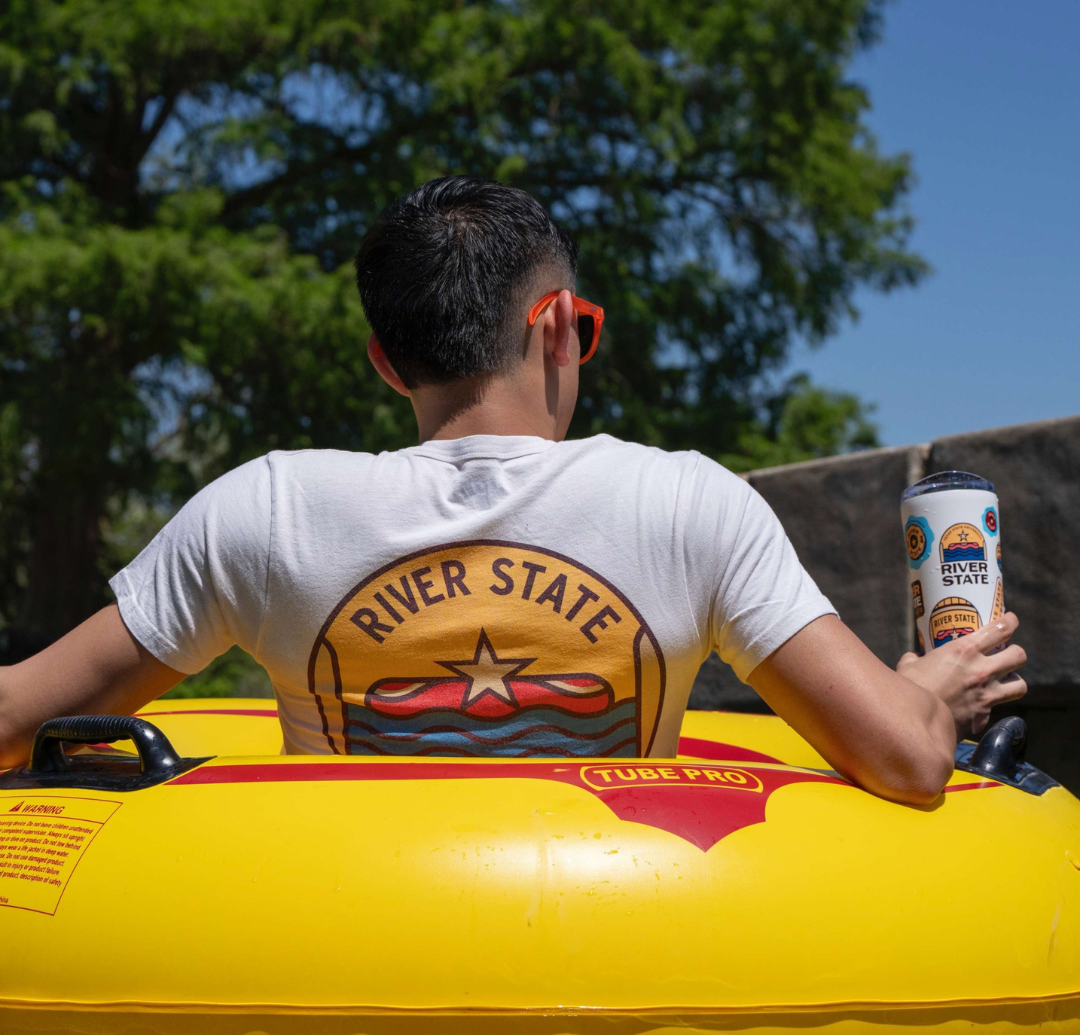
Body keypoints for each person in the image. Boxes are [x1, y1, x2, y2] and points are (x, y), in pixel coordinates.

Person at [0, 178, 1027, 802]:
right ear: (554, 326)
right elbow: (903, 762)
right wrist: (928, 695)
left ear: (387, 364)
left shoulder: (264, 511)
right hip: (606, 985)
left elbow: (15, 721)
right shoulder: (685, 505)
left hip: (343, 991)